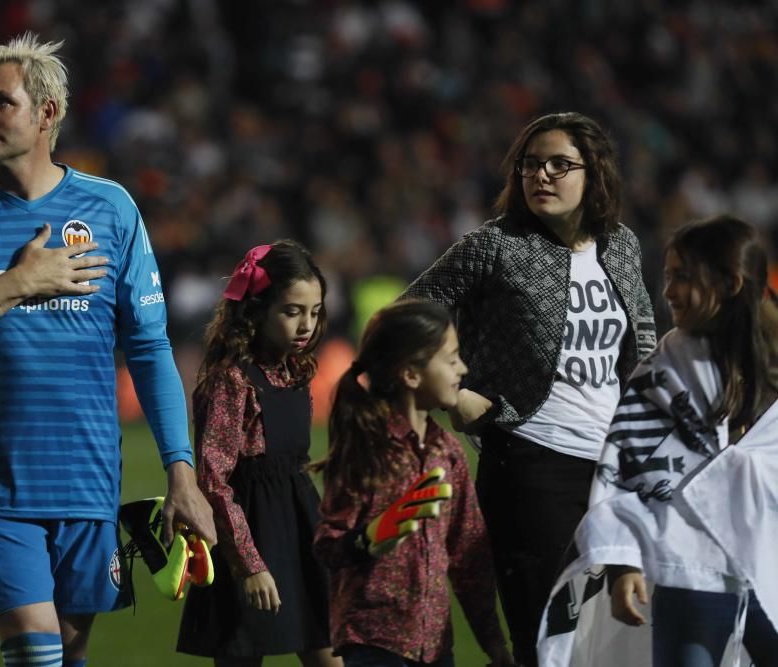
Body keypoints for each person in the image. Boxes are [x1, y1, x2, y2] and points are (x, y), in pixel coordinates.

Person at [0, 33, 215, 667]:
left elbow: (148, 349)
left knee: (68, 650)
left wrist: (182, 472)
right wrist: (17, 285)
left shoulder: (111, 209)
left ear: (46, 114)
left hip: (88, 479)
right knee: (36, 652)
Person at [401, 111, 656, 666]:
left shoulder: (622, 245)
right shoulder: (493, 245)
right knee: (547, 641)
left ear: (595, 175)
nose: (541, 175)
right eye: (530, 165)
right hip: (531, 462)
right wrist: (456, 393)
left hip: (616, 469)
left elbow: (642, 340)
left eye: (559, 165)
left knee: (616, 638)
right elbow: (403, 320)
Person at [542, 215, 778, 667]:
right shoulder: (661, 373)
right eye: (668, 276)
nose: (668, 291)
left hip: (768, 564)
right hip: (691, 571)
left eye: (683, 277)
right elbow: (623, 467)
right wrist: (622, 561)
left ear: (730, 284)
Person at [312, 299, 516, 667]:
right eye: (451, 359)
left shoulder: (448, 453)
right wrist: (369, 539)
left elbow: (470, 559)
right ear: (411, 374)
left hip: (434, 646)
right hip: (372, 643)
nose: (463, 368)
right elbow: (327, 546)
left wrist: (494, 643)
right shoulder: (366, 450)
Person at [176, 240, 341, 667]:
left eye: (315, 311)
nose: (306, 324)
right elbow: (214, 480)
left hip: (301, 528)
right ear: (257, 309)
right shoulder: (231, 380)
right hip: (248, 535)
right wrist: (249, 564)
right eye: (292, 311)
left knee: (333, 652)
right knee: (241, 653)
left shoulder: (297, 369)